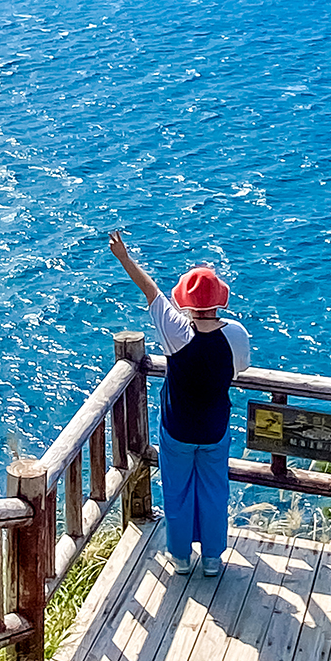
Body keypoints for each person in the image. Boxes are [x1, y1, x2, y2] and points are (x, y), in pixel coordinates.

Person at [109, 232, 251, 577]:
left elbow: (150, 291)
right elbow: (240, 368)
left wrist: (125, 258)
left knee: (177, 492)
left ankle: (182, 558)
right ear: (220, 301)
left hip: (177, 429)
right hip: (215, 427)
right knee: (215, 491)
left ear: (186, 303)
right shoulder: (236, 333)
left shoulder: (176, 331)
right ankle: (214, 558)